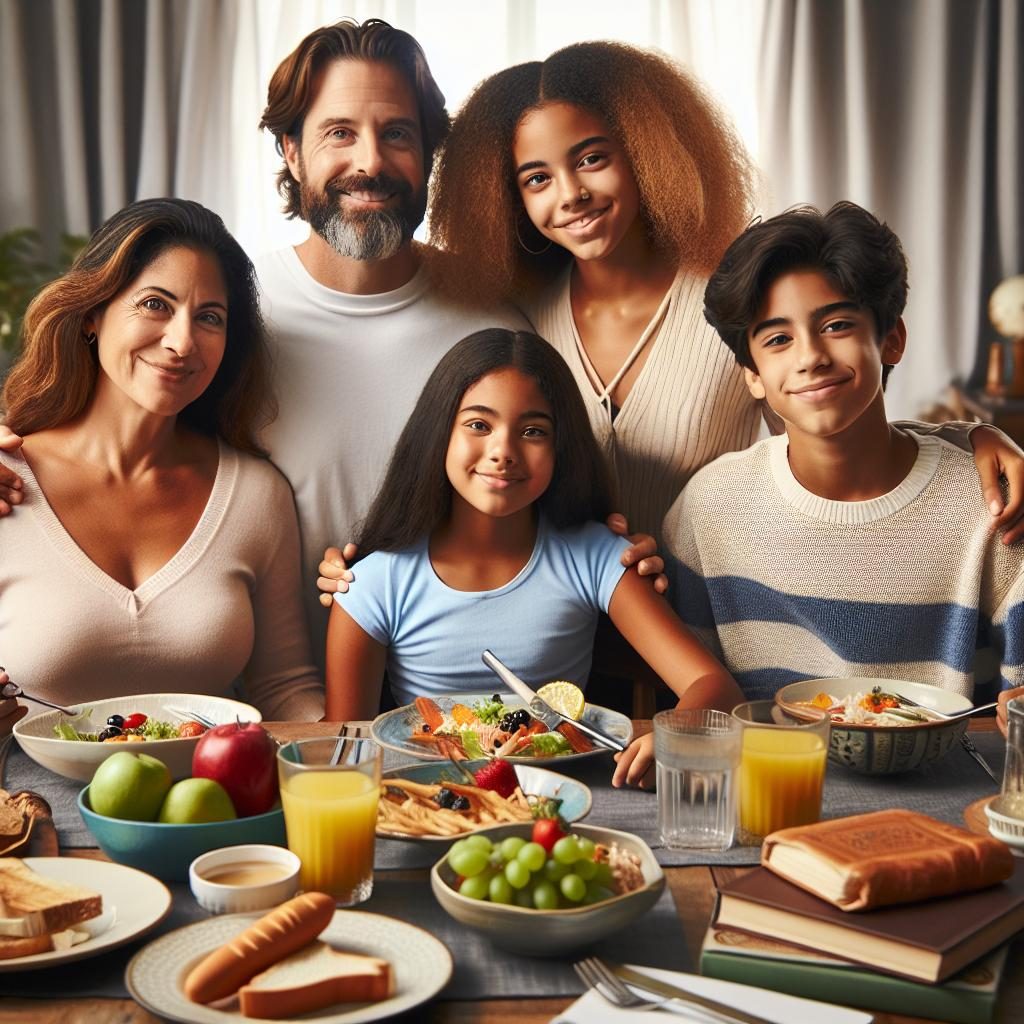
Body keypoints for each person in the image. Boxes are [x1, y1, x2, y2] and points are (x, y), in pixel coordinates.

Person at [428, 41, 1024, 543]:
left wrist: (965, 436)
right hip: (562, 631)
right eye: (537, 178)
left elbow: (829, 433)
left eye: (592, 159)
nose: (570, 193)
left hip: (714, 617)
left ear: (644, 153)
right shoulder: (514, 315)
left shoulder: (737, 297)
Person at [250, 19, 662, 665]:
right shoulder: (235, 317)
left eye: (398, 135)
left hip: (478, 713)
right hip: (280, 707)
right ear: (291, 151)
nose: (370, 163)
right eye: (339, 133)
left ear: (429, 155)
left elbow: (552, 503)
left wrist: (612, 539)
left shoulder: (492, 314)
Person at [661, 201, 1024, 732]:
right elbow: (701, 691)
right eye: (778, 339)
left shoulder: (989, 498)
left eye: (835, 325)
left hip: (943, 786)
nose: (811, 356)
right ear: (753, 375)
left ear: (891, 340)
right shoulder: (710, 506)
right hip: (772, 786)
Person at [326, 328, 742, 784]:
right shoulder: (371, 583)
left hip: (567, 804)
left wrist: (673, 734)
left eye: (532, 431)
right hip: (431, 800)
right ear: (438, 432)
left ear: (560, 448)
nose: (503, 451)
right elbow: (345, 748)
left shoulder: (597, 557)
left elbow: (713, 686)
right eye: (479, 425)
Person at [0, 199, 323, 719]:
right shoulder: (7, 485)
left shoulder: (256, 495)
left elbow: (284, 686)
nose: (182, 341)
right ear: (92, 315)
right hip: (25, 799)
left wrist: (356, 756)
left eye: (210, 318)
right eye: (155, 304)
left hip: (215, 799)